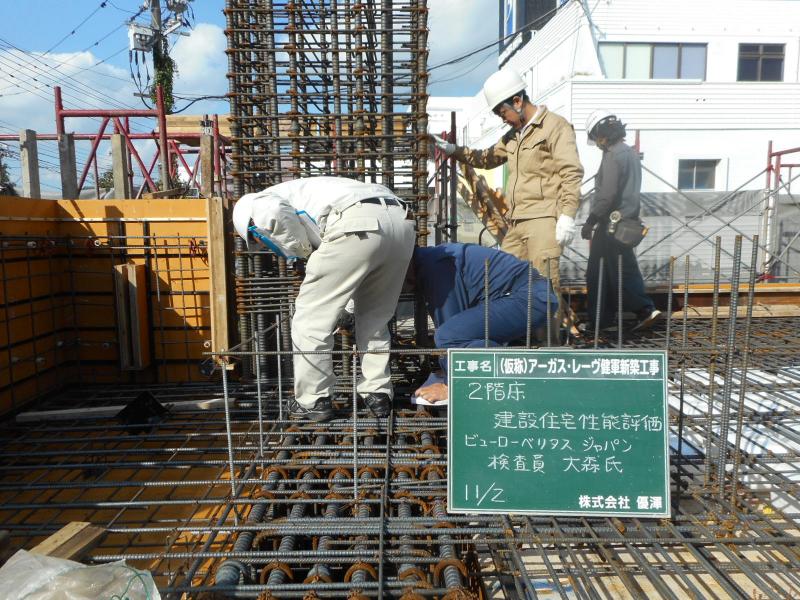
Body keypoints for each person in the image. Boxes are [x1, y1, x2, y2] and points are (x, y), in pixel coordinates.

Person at [233, 177, 416, 422]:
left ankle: (313, 400)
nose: (265, 247)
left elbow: (273, 213)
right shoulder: (307, 191)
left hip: (356, 222)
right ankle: (378, 394)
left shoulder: (253, 204)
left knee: (310, 320)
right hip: (401, 224)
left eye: (259, 241)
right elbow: (354, 267)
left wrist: (301, 251)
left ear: (253, 228)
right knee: (374, 317)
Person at [429, 67, 584, 299]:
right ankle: (519, 335)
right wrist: (453, 150)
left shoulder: (555, 126)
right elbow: (486, 158)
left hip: (543, 220)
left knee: (543, 289)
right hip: (517, 222)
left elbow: (571, 172)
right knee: (507, 281)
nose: (503, 120)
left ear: (518, 101)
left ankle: (547, 337)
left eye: (503, 113)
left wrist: (568, 215)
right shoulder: (513, 137)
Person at [408, 243, 558, 404]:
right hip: (526, 295)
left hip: (529, 297)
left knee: (448, 336)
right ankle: (518, 375)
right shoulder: (431, 259)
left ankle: (465, 383)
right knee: (457, 336)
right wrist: (446, 368)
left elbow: (450, 327)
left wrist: (450, 383)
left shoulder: (434, 266)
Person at [581, 110, 661, 333]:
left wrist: (590, 221)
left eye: (596, 137)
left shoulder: (612, 155)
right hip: (627, 222)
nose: (597, 143)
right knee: (616, 269)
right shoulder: (630, 153)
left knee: (599, 272)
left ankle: (638, 310)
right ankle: (607, 319)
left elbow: (607, 195)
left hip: (611, 225)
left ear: (602, 133)